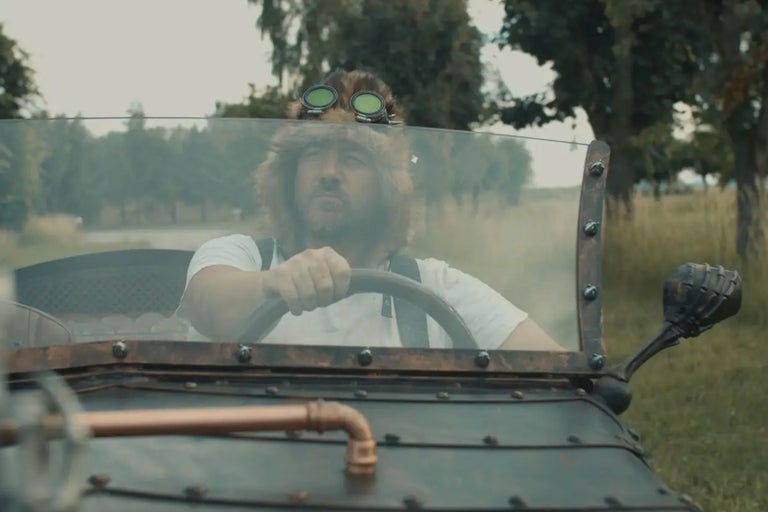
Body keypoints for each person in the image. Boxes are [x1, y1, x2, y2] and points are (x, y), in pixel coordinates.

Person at [177, 69, 563, 351]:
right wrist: (274, 282)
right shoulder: (240, 256)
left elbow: (556, 370)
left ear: (386, 186)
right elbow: (206, 305)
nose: (329, 172)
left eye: (353, 157)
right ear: (288, 175)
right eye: (313, 154)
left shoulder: (433, 288)